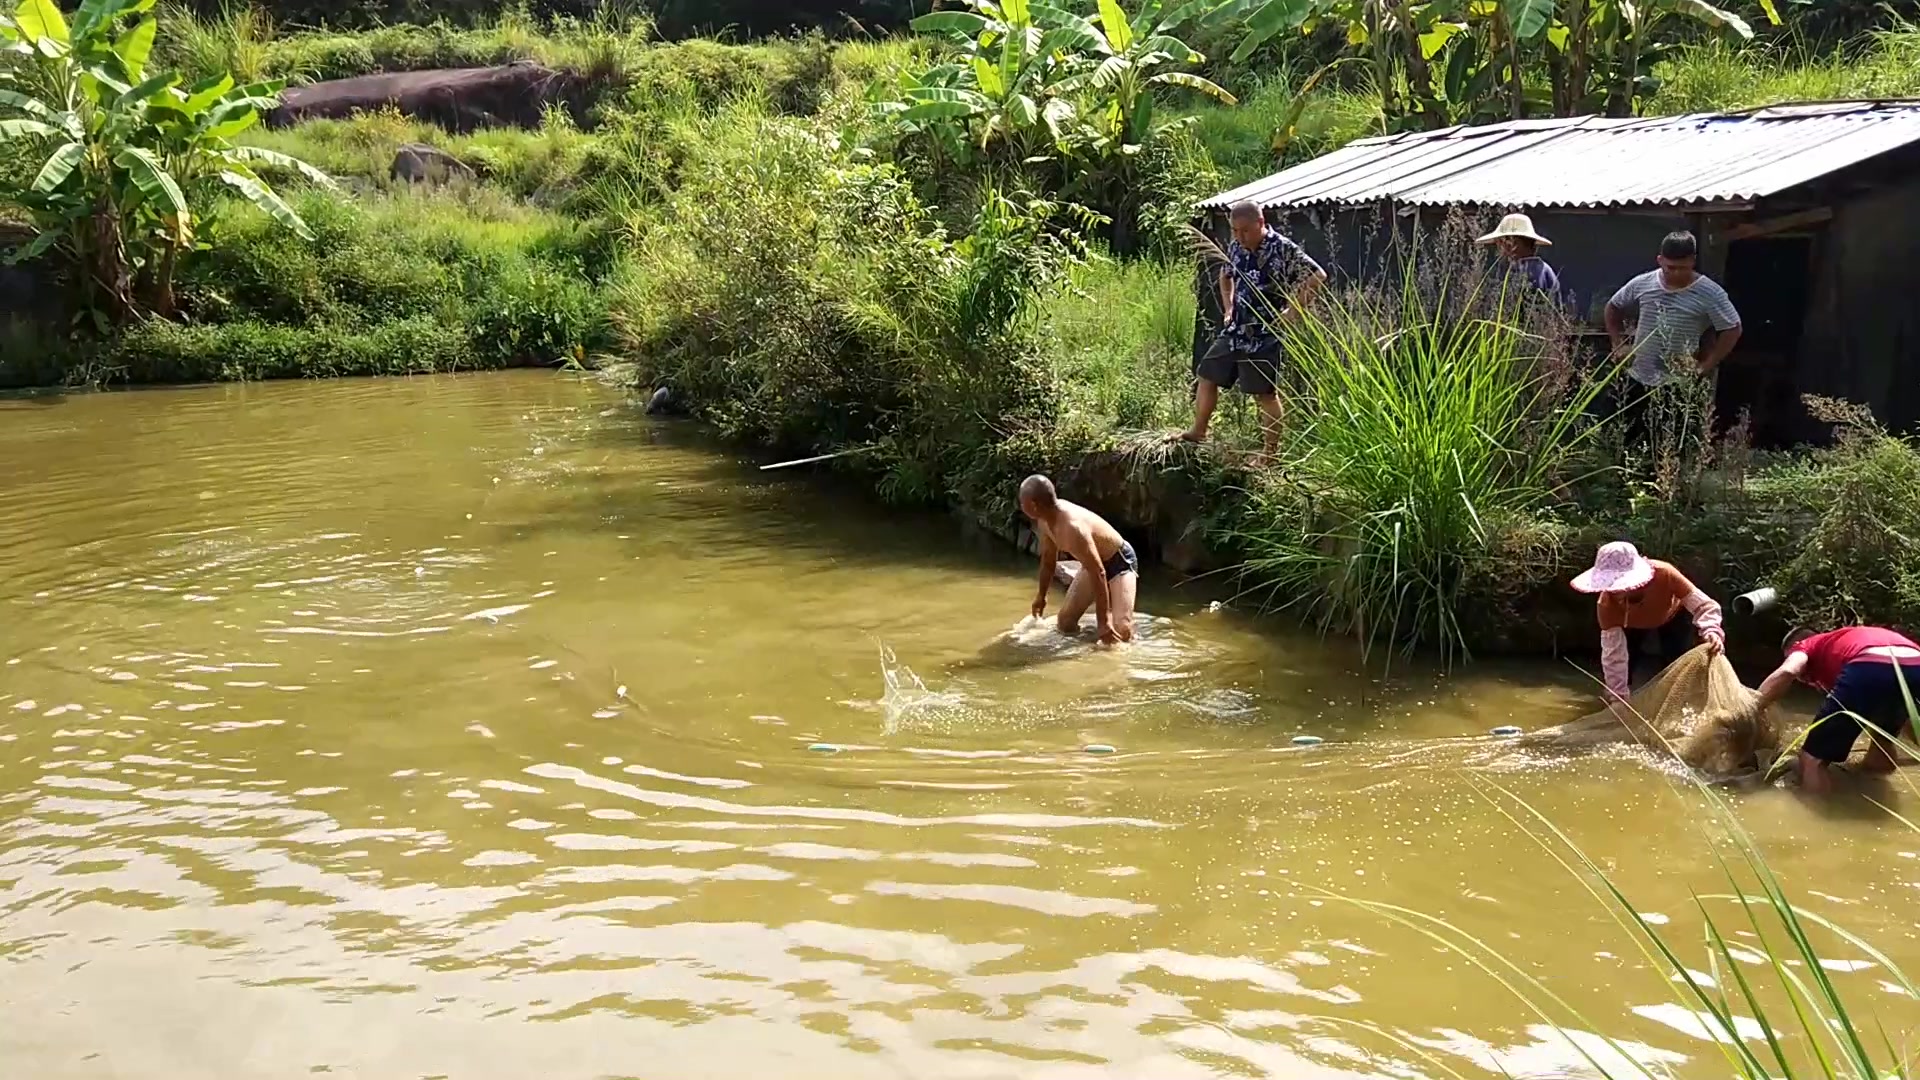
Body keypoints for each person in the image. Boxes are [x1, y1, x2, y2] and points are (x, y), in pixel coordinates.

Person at [1179, 200, 1326, 466]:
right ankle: (1199, 431)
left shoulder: (1282, 248)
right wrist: (1228, 306)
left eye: (1244, 230)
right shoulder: (1236, 246)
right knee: (1207, 374)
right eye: (1234, 230)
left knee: (1264, 394)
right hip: (1235, 328)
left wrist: (1293, 311)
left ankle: (1270, 455)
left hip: (1264, 333)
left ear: (1260, 223)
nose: (1238, 236)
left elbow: (1318, 275)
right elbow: (1226, 275)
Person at [1603, 231, 1743, 440]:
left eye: (1683, 268)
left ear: (1693, 262)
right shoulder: (1643, 283)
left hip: (1678, 383)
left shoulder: (1710, 293)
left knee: (1670, 446)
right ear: (1660, 260)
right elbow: (1613, 307)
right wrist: (1617, 344)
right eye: (1670, 268)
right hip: (1638, 378)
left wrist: (1706, 365)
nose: (1676, 273)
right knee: (1628, 441)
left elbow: (1733, 328)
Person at [1754, 626, 1920, 795]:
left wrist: (1754, 707)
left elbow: (1789, 670)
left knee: (1812, 760)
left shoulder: (1805, 644)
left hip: (1869, 664)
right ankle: (1870, 786)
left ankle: (1818, 814)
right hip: (1915, 663)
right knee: (1882, 740)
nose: (1801, 679)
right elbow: (1908, 720)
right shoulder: (1845, 641)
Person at [1569, 541, 1725, 708]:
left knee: (1676, 663)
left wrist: (1711, 629)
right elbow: (1613, 656)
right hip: (1631, 626)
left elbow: (1704, 605)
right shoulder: (1606, 605)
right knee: (1625, 669)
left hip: (1672, 617)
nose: (1618, 592)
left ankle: (1680, 705)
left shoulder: (1665, 573)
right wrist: (1617, 697)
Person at [1019, 474, 1137, 646]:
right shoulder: (1044, 521)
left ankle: (1127, 643)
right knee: (1065, 623)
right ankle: (1085, 649)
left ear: (1033, 505)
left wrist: (1103, 623)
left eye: (1022, 502)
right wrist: (1041, 596)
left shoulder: (1073, 527)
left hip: (1120, 561)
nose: (1021, 506)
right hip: (1094, 566)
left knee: (1122, 630)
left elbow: (1099, 572)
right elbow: (1048, 561)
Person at [1474, 212, 1562, 300]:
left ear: (1512, 244)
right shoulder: (1545, 270)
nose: (1499, 250)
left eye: (1500, 243)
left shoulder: (1522, 273)